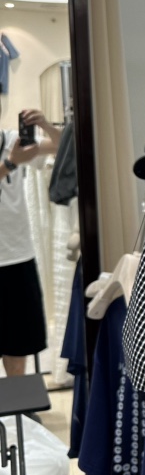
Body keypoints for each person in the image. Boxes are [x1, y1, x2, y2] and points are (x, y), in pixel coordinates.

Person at [0, 108, 61, 377]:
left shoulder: (14, 140)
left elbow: (62, 147)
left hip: (18, 256)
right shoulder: (13, 154)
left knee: (18, 348)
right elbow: (11, 163)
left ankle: (16, 401)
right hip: (14, 254)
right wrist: (11, 164)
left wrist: (46, 125)